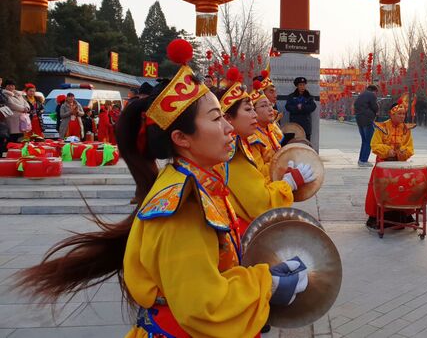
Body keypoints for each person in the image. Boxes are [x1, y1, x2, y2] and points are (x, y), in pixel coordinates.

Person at [14, 39, 308, 338]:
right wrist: (265, 284)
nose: (230, 128)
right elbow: (203, 304)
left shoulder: (190, 181)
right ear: (181, 138)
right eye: (218, 118)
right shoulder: (184, 208)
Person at [215, 68, 315, 232]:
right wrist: (288, 181)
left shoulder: (241, 142)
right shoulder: (231, 152)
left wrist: (284, 172)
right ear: (227, 119)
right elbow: (261, 203)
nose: (255, 114)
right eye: (249, 109)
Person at [364, 102, 415, 229]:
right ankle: (376, 217)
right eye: (399, 114)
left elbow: (410, 147)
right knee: (380, 190)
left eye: (403, 114)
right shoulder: (382, 127)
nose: (402, 117)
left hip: (400, 165)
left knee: (402, 190)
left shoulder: (406, 129)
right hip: (383, 165)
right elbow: (374, 145)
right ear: (392, 114)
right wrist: (388, 151)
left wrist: (403, 152)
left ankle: (402, 215)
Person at [248, 85, 283, 176]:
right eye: (263, 106)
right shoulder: (252, 137)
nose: (270, 109)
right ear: (253, 112)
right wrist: (282, 162)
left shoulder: (269, 129)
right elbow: (260, 172)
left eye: (270, 105)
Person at [354, 85, 379, 167]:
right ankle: (364, 160)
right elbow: (375, 107)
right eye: (376, 92)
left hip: (359, 119)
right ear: (374, 90)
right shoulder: (371, 95)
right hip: (367, 120)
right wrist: (376, 109)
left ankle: (361, 159)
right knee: (369, 141)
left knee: (364, 141)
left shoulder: (361, 95)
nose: (376, 94)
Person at [285, 77, 317, 141]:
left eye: (304, 85)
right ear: (297, 86)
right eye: (300, 85)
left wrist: (303, 107)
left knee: (306, 144)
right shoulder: (291, 96)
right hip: (294, 125)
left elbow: (313, 107)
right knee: (294, 144)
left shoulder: (309, 97)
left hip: (306, 125)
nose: (302, 87)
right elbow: (288, 107)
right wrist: (297, 108)